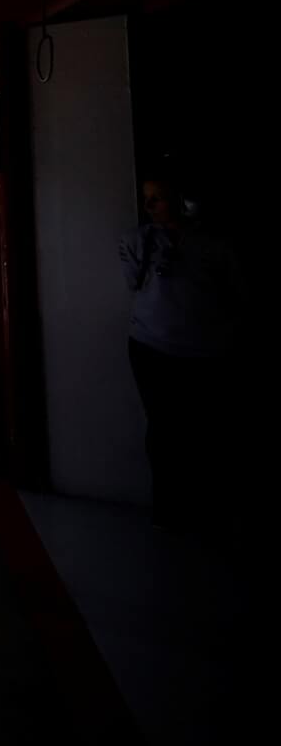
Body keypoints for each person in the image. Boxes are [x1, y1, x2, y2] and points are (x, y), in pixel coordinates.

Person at [118, 171, 240, 528]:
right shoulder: (139, 240)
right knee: (164, 426)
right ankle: (170, 505)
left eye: (158, 197)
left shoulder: (213, 245)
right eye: (147, 198)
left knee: (200, 428)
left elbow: (237, 293)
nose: (150, 205)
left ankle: (202, 506)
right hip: (152, 346)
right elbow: (132, 281)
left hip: (203, 348)